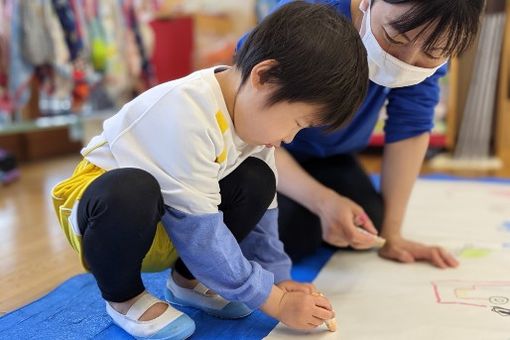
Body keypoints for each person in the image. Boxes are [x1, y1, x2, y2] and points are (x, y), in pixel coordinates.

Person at [51, 2, 369, 339]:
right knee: (131, 190)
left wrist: (280, 278)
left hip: (168, 222)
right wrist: (274, 302)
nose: (290, 137)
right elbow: (201, 236)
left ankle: (187, 283)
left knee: (258, 180)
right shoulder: (188, 112)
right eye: (297, 123)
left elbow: (264, 218)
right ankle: (124, 298)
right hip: (102, 214)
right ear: (264, 76)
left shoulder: (253, 120)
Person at [248, 0, 485, 266]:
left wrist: (393, 235)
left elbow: (411, 125)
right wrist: (323, 201)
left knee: (370, 224)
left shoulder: (434, 33)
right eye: (395, 37)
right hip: (259, 149)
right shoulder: (305, 20)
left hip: (331, 154)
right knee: (288, 232)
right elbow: (250, 123)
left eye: (432, 52)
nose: (406, 61)